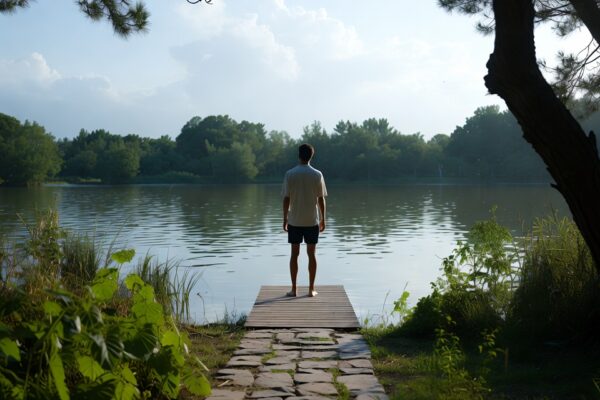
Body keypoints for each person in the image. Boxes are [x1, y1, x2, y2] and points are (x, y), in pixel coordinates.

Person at [282, 143, 327, 297]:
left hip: (294, 221)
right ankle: (311, 289)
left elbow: (286, 199)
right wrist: (323, 219)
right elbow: (321, 199)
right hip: (311, 221)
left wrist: (285, 218)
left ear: (299, 155)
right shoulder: (317, 174)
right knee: (311, 255)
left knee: (294, 254)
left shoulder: (290, 174)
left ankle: (294, 289)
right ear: (311, 156)